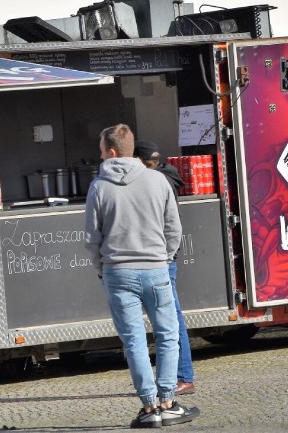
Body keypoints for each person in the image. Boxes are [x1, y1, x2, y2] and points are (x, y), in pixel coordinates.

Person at [84, 124, 199, 428]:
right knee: (168, 336)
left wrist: (103, 268)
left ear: (110, 152)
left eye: (100, 147)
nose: (99, 153)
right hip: (156, 268)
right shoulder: (158, 181)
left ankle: (149, 407)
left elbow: (91, 239)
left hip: (118, 273)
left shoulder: (99, 186)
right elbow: (174, 228)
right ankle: (169, 402)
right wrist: (164, 257)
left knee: (133, 341)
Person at [134, 140, 195, 396]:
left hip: (161, 261)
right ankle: (176, 376)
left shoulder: (158, 182)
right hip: (163, 259)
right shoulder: (164, 177)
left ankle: (182, 376)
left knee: (171, 320)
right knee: (169, 319)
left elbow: (172, 226)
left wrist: (167, 257)